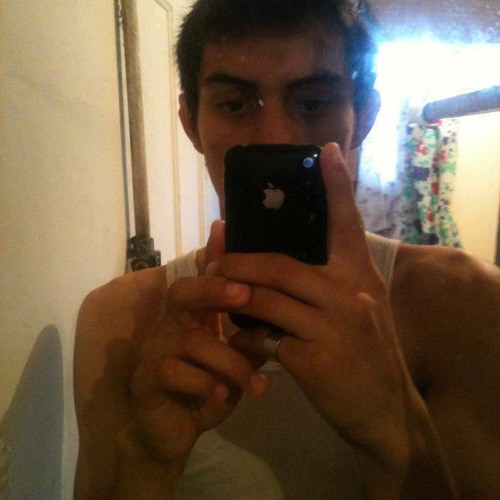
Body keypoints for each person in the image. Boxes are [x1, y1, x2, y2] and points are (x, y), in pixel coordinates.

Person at [73, 0, 500, 498]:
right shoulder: (116, 319)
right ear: (191, 123)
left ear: (364, 116)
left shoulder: (466, 302)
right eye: (234, 105)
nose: (274, 138)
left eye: (313, 103)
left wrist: (395, 431)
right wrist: (148, 460)